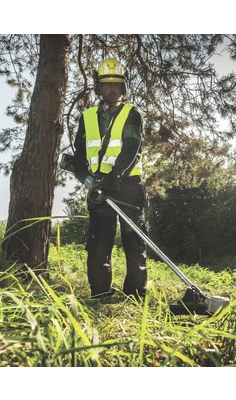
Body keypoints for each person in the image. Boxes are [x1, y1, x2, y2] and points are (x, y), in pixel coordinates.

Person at [72, 57, 148, 299]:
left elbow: (132, 146)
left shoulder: (132, 113)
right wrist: (85, 177)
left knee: (133, 240)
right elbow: (79, 155)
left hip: (127, 186)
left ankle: (135, 294)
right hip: (99, 187)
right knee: (98, 242)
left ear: (123, 87)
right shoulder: (86, 117)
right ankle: (100, 293)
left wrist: (116, 174)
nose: (112, 89)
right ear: (100, 87)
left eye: (116, 84)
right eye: (107, 84)